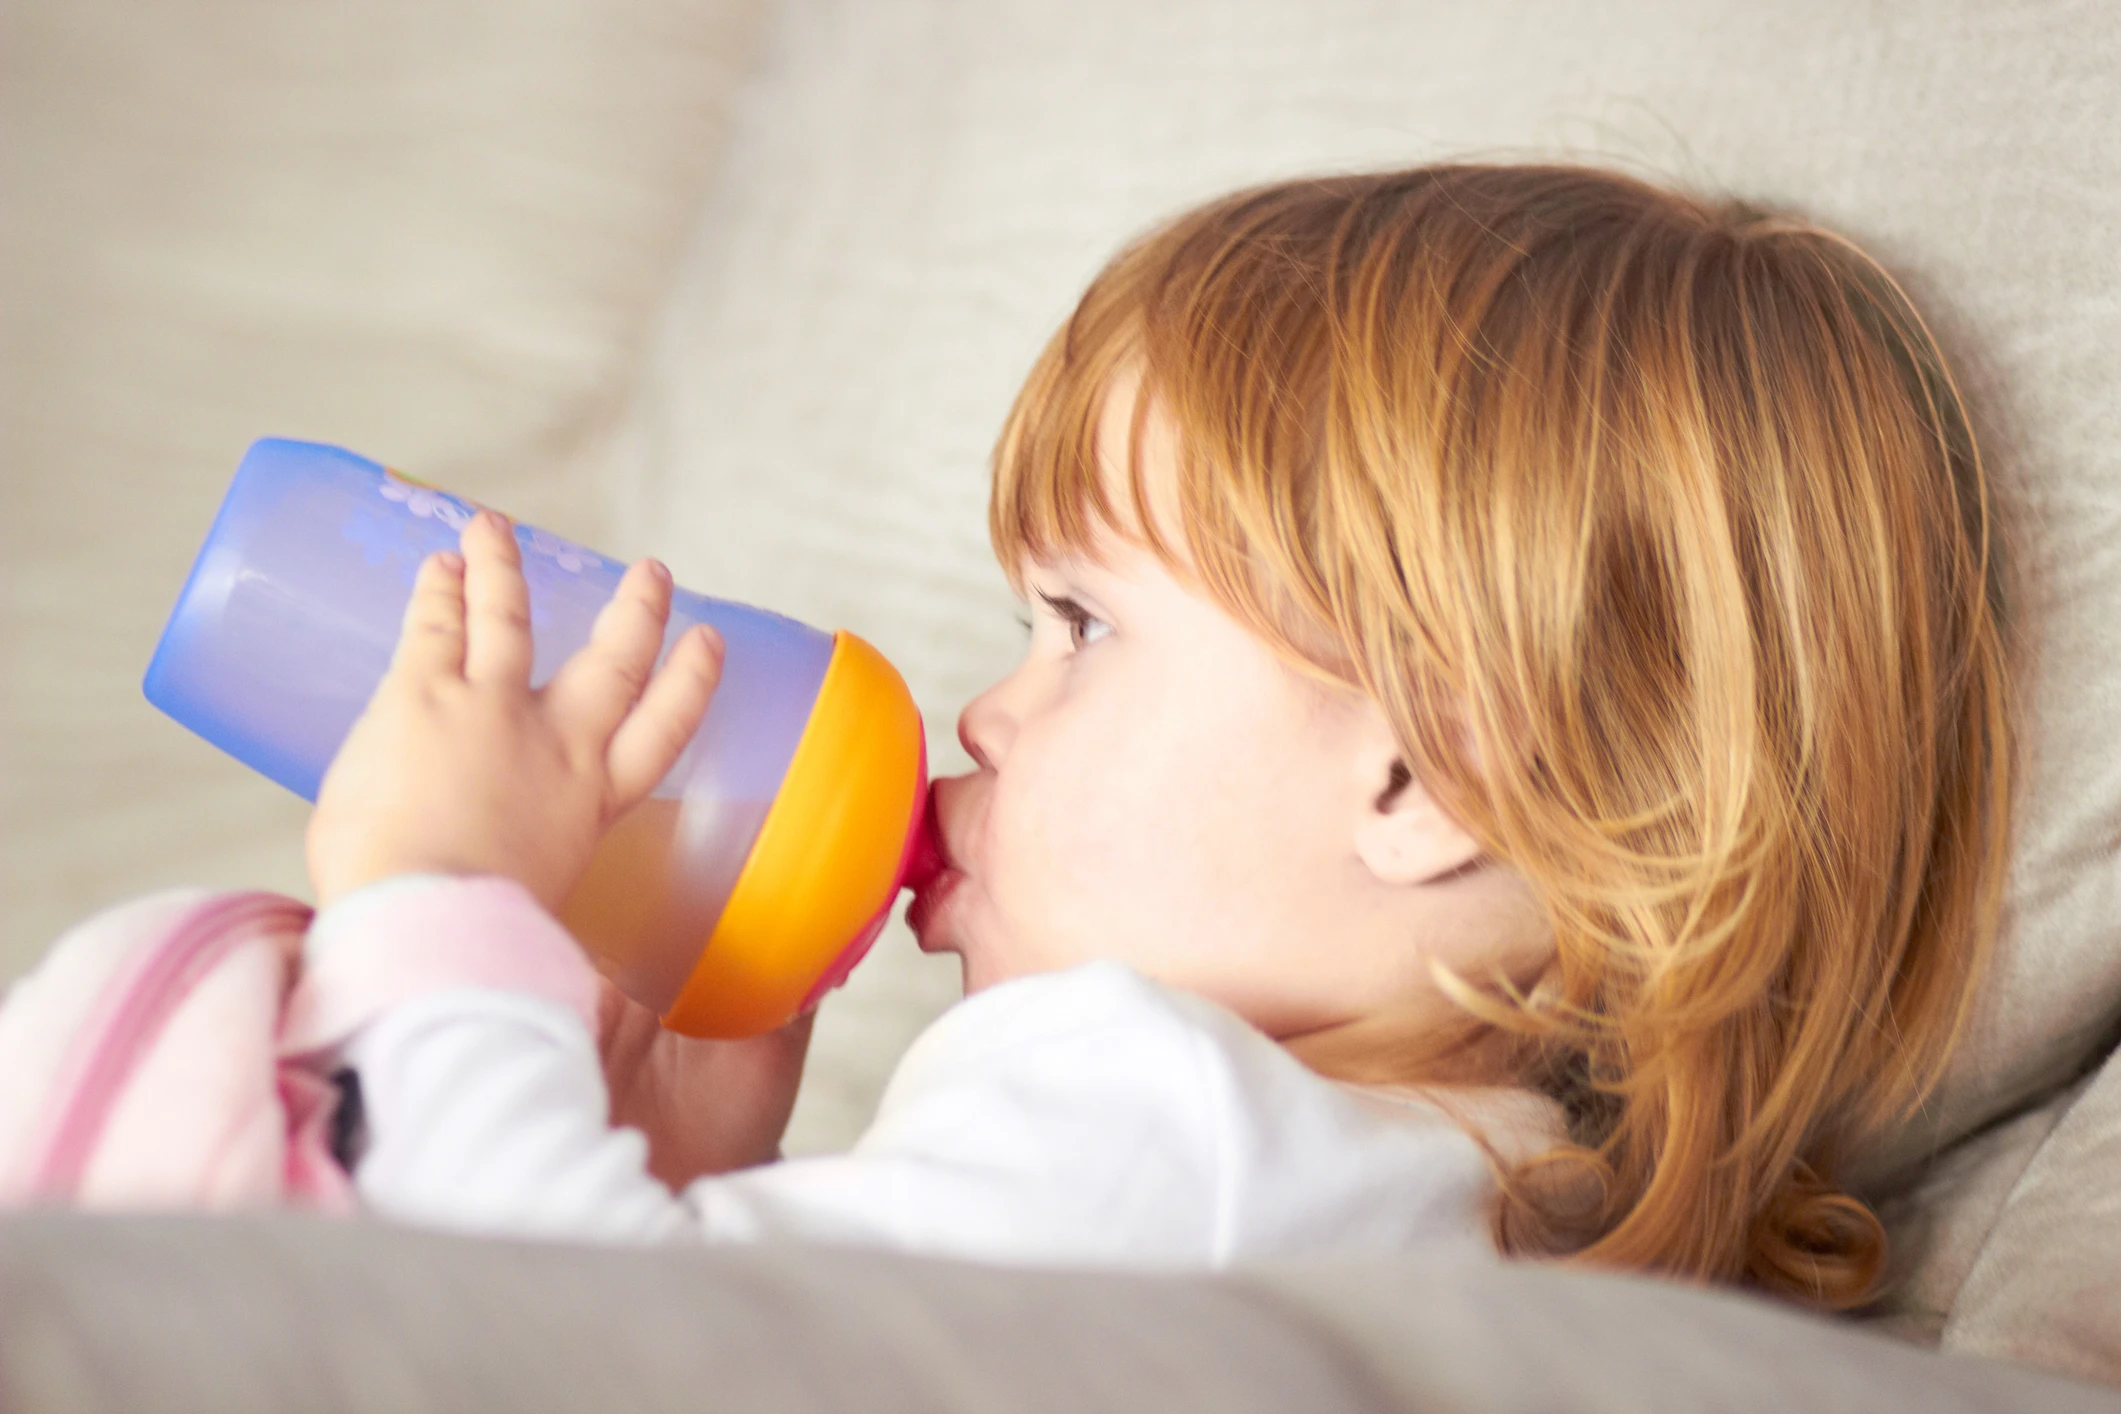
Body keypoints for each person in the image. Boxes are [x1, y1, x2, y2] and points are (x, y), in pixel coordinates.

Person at [304, 163, 2012, 1310]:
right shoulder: (1511, 1225)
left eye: (1082, 627)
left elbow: (537, 1349)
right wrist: (694, 1194)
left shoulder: (1148, 1103)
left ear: (1426, 775)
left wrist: (434, 907)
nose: (985, 710)